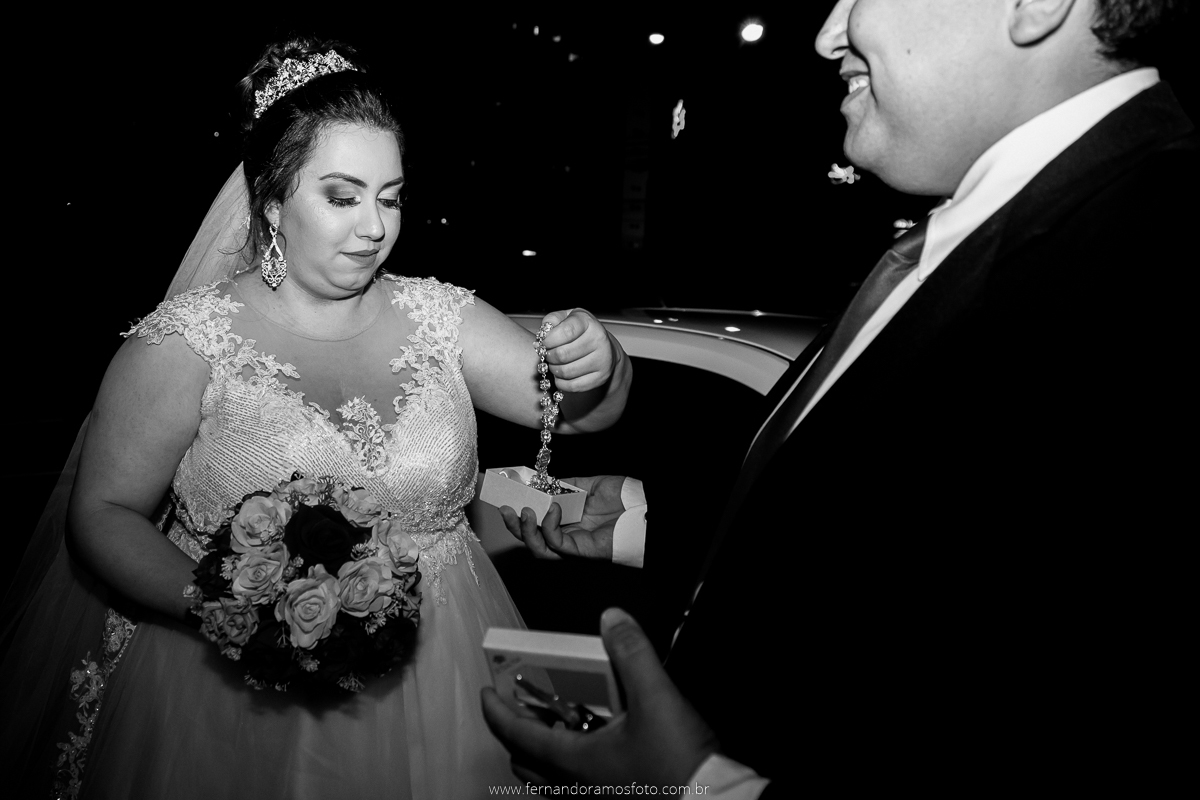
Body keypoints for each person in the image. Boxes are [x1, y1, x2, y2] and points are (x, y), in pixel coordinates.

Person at [483, 0, 1195, 794]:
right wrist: (648, 523)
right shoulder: (1015, 231)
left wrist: (705, 782)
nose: (829, 36)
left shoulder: (1162, 266)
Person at [0, 38, 632, 798]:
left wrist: (601, 361)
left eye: (390, 198)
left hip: (445, 666)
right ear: (273, 203)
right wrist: (229, 608)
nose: (375, 228)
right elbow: (103, 514)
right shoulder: (185, 344)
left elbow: (581, 414)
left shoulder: (443, 318)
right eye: (342, 197)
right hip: (229, 696)